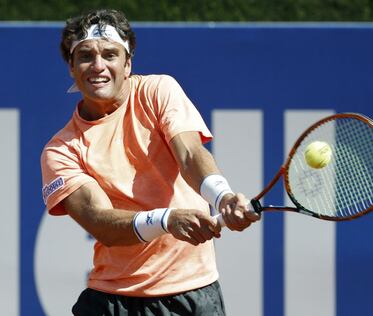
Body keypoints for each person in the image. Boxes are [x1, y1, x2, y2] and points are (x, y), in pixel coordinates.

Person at [41, 8, 259, 316]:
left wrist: (222, 196)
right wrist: (167, 220)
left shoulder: (159, 91)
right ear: (72, 68)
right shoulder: (60, 150)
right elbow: (100, 222)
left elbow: (190, 154)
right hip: (113, 301)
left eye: (110, 54)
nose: (98, 66)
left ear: (128, 63)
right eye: (86, 56)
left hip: (192, 293)